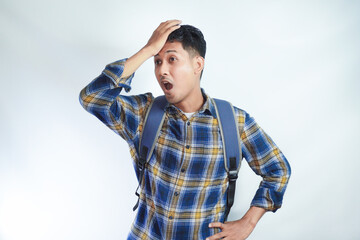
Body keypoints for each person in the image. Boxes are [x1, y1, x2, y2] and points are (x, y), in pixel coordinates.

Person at [79, 20, 291, 240]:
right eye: (157, 62)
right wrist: (147, 50)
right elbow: (92, 98)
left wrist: (248, 222)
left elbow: (278, 170)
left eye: (172, 60)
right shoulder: (144, 114)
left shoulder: (234, 122)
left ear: (198, 65)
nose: (162, 70)